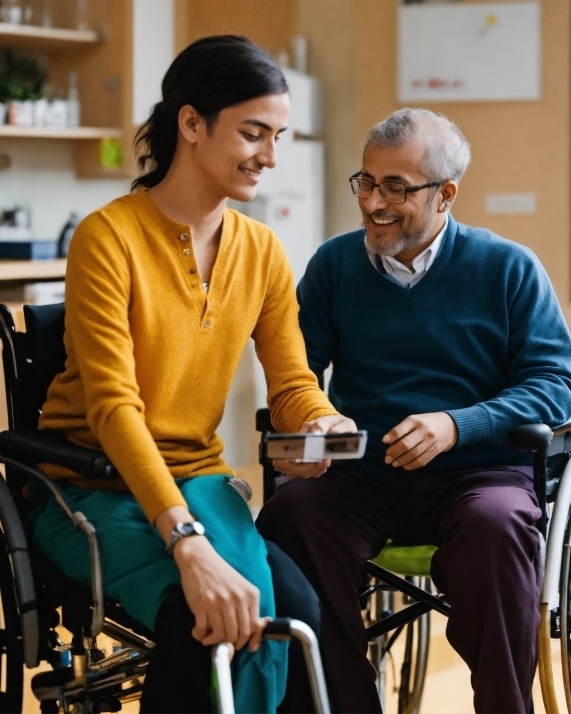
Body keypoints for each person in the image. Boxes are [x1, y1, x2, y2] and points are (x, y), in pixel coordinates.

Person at [29, 35, 355, 713]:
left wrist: (319, 420)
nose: (270, 155)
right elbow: (114, 408)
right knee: (199, 616)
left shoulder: (261, 249)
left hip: (199, 479)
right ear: (191, 123)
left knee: (290, 609)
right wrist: (186, 541)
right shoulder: (108, 237)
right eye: (253, 133)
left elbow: (290, 380)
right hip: (88, 484)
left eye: (278, 136)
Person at [257, 107, 571, 713]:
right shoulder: (333, 266)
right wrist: (311, 426)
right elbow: (294, 376)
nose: (374, 202)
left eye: (396, 188)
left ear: (446, 193)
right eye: (367, 182)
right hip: (364, 473)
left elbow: (552, 385)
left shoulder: (508, 268)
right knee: (291, 519)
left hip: (479, 475)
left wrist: (458, 425)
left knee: (499, 529)